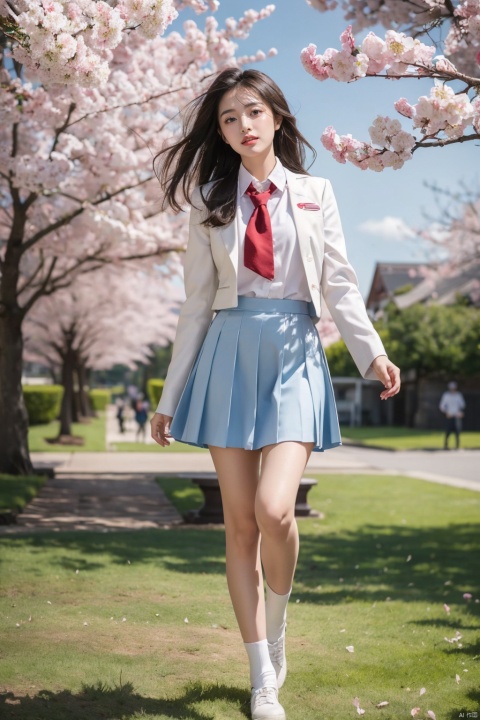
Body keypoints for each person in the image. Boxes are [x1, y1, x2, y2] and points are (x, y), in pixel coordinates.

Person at [150, 68, 401, 720]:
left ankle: (279, 620)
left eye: (252, 111)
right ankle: (262, 676)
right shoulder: (210, 200)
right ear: (223, 131)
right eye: (229, 118)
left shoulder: (317, 192)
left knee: (274, 510)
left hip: (294, 355)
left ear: (278, 117)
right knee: (237, 524)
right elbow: (196, 305)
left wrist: (371, 352)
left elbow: (341, 284)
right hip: (227, 356)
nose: (242, 126)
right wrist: (169, 397)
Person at [439, 381, 465, 450]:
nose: (452, 389)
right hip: (449, 415)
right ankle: (446, 445)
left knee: (457, 431)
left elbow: (462, 405)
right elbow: (442, 406)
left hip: (456, 415)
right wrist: (446, 412)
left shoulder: (458, 395)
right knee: (448, 431)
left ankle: (457, 446)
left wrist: (460, 412)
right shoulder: (446, 395)